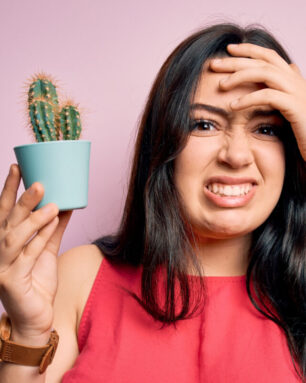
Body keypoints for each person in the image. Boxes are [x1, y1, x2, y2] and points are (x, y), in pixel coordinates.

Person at [0, 22, 305, 383]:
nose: (236, 156)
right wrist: (27, 332)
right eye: (204, 125)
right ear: (163, 143)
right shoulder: (80, 278)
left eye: (266, 128)